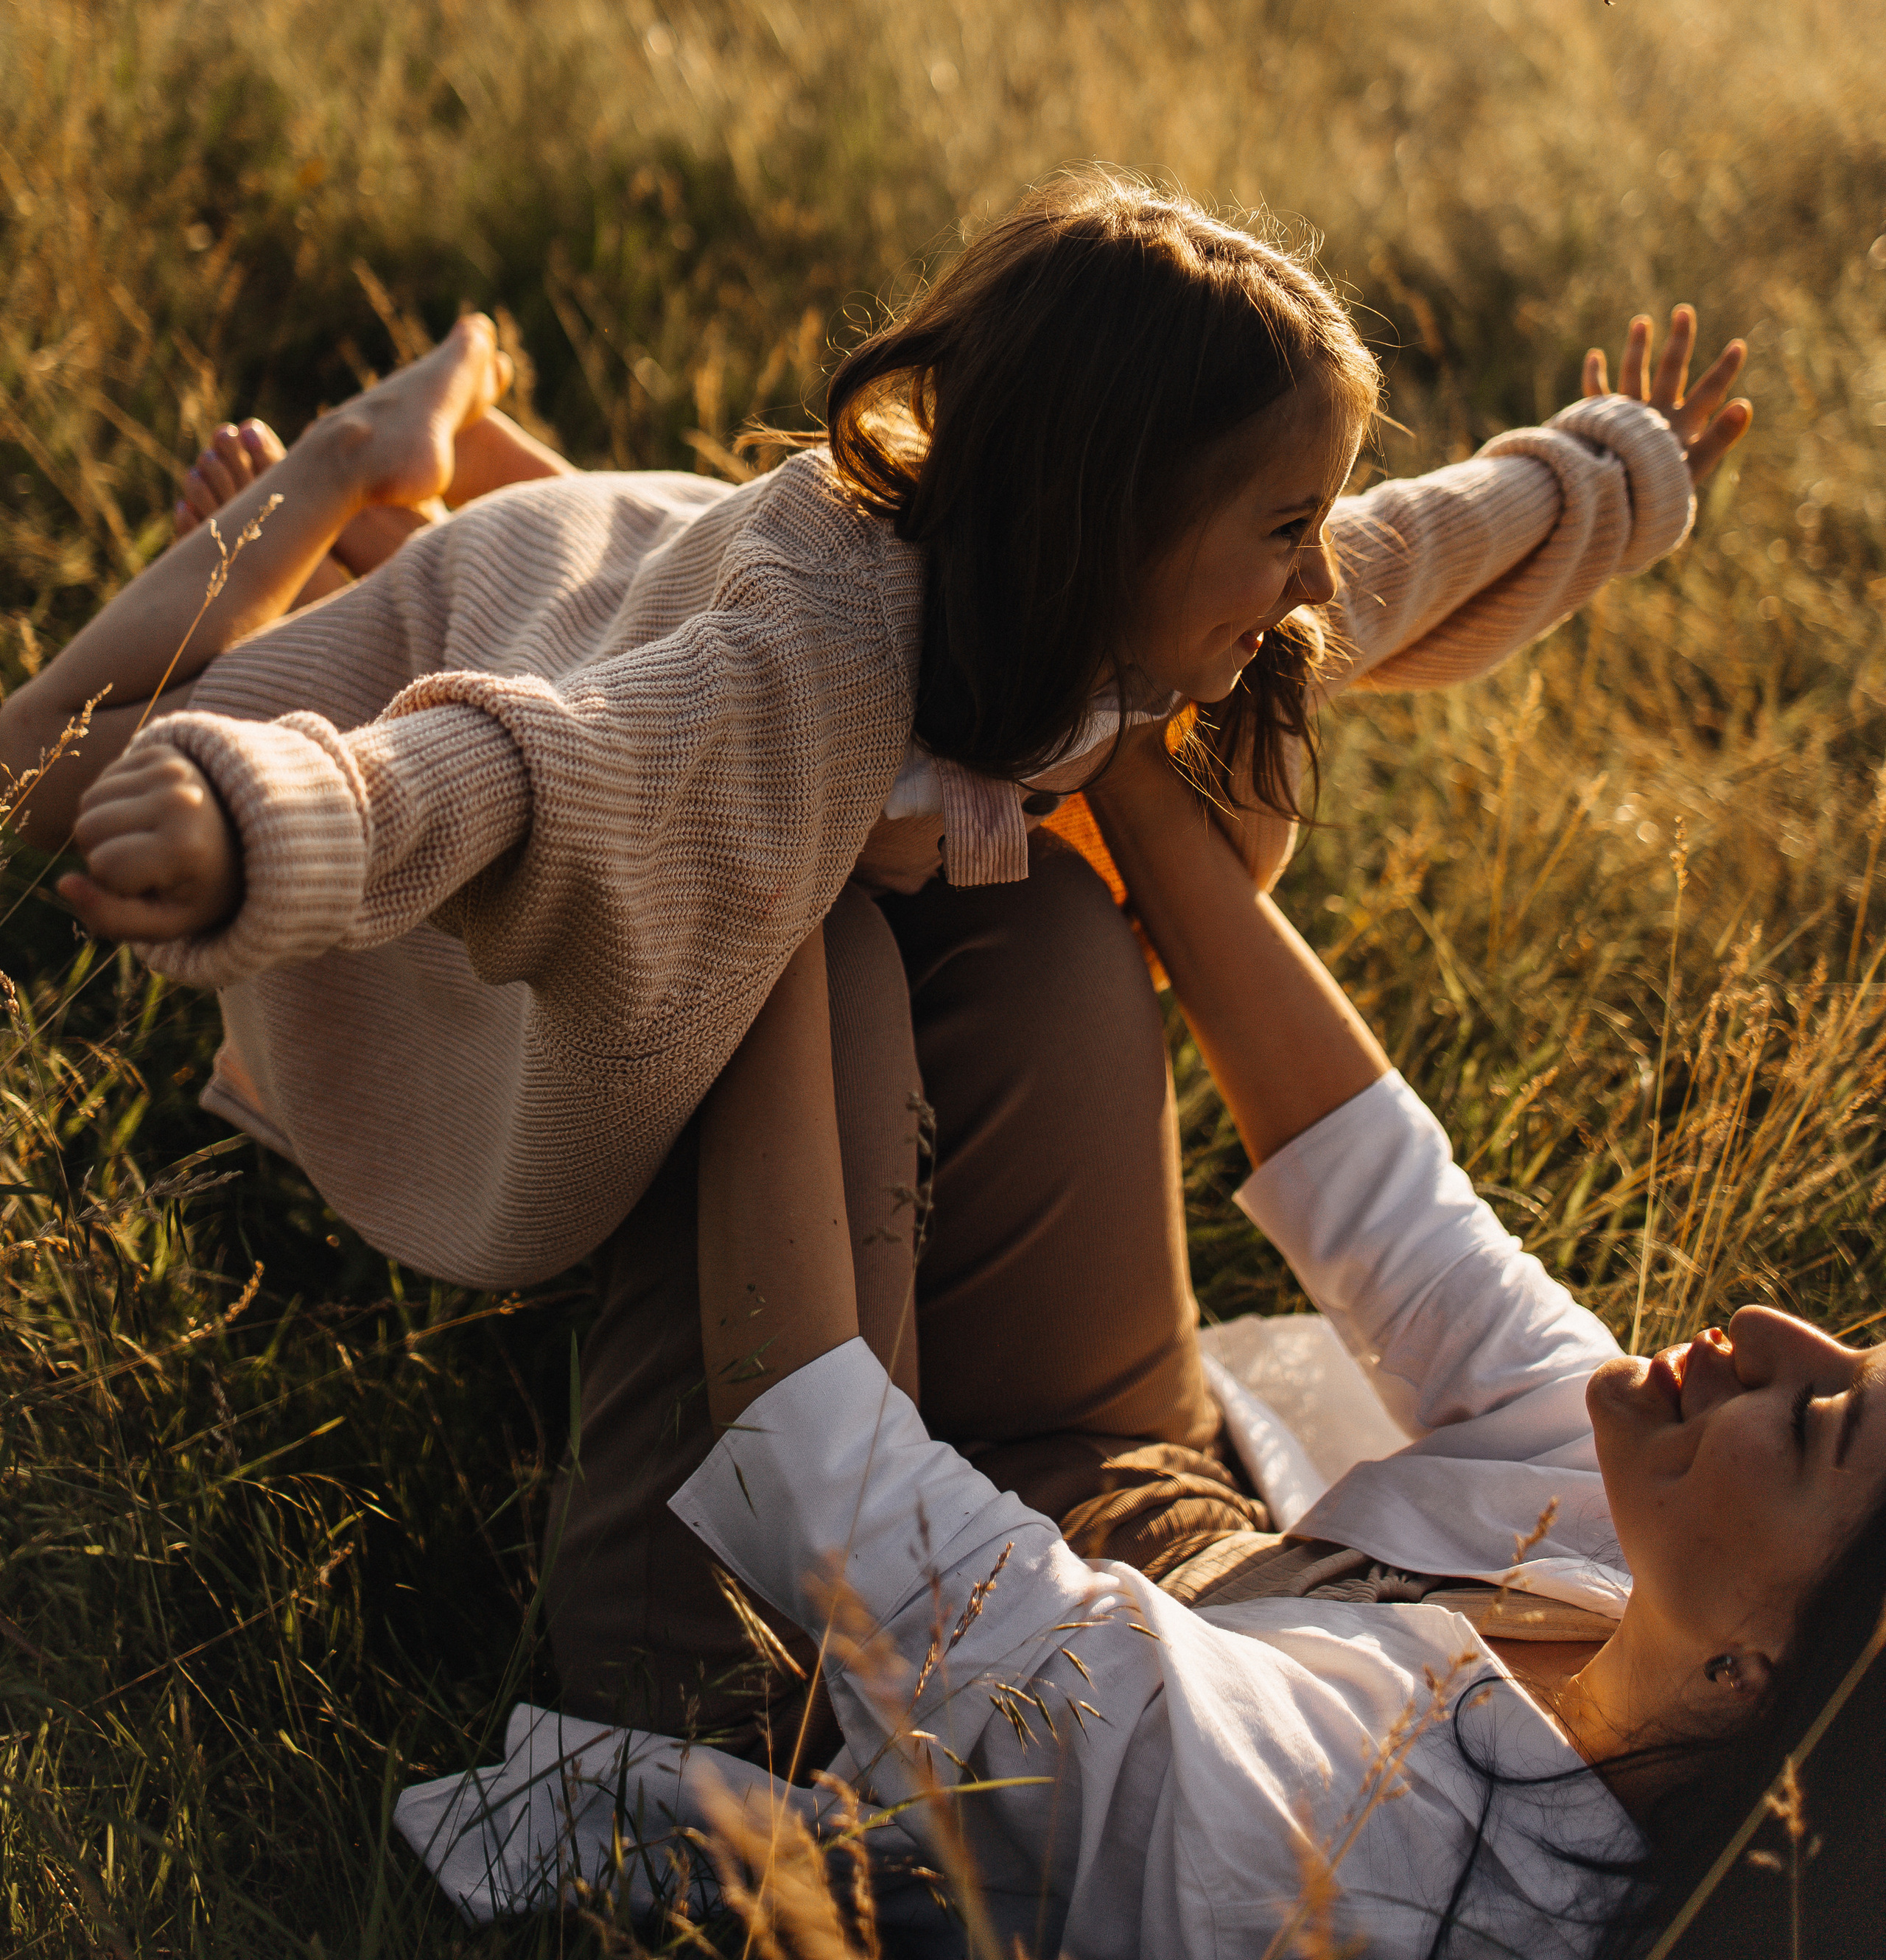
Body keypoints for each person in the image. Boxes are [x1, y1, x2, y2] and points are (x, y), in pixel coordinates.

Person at [0, 172, 1750, 1743]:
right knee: (63, 773)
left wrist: (1623, 466)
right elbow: (532, 765)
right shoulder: (815, 663)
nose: (1311, 577)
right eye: (1282, 525)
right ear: (1113, 521)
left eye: (1312, 519)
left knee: (843, 836)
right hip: (547, 659)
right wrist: (265, 823)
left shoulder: (1176, 601)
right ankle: (345, 478)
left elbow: (1431, 539)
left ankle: (440, 476)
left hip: (703, 646)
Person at [398, 816, 1886, 1957]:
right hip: (1125, 1504)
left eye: (1819, 1419)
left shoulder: (1342, 1862)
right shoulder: (1652, 1556)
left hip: (801, 1676)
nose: (1770, 1328)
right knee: (1031, 912)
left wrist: (791, 834)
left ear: (1772, 1684)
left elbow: (817, 1471)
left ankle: (413, 834)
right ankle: (505, 617)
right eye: (1851, 1347)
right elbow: (1395, 1209)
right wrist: (1127, 756)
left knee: (824, 957)